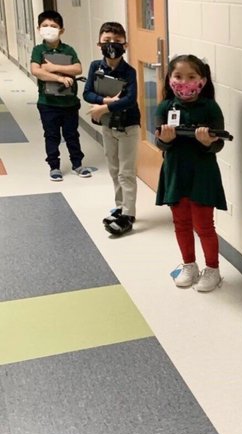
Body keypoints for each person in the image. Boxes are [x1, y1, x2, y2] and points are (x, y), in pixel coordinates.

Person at [155, 53, 227, 293]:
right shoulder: (165, 106)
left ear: (202, 80)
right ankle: (189, 265)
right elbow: (161, 144)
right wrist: (164, 140)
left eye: (191, 77)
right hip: (175, 172)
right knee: (181, 223)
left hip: (202, 174)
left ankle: (213, 269)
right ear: (169, 79)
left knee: (204, 225)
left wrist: (207, 142)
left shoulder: (210, 107)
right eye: (178, 76)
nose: (184, 82)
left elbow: (218, 144)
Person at [82, 21, 140, 237]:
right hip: (108, 126)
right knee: (114, 169)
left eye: (117, 41)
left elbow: (130, 100)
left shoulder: (129, 71)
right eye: (107, 41)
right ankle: (120, 207)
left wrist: (104, 107)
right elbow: (87, 93)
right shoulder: (95, 67)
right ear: (99, 43)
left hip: (128, 127)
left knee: (126, 172)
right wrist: (104, 100)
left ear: (125, 44)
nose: (112, 45)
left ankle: (129, 214)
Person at [29, 10, 91, 181]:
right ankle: (54, 166)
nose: (49, 29)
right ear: (39, 28)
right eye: (45, 26)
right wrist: (59, 78)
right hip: (47, 103)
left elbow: (77, 69)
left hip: (69, 102)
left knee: (72, 134)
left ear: (61, 30)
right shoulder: (38, 50)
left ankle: (77, 164)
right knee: (52, 135)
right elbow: (37, 71)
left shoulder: (68, 50)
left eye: (54, 26)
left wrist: (52, 68)